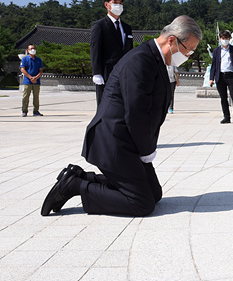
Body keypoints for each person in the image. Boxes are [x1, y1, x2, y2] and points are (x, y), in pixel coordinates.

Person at [41, 15, 202, 217]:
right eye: (189, 50)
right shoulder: (140, 60)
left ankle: (81, 177)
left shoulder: (157, 59)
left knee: (154, 193)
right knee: (141, 203)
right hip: (112, 140)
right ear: (172, 40)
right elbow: (136, 113)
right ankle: (75, 185)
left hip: (128, 140)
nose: (188, 55)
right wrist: (145, 150)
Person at [90, 0, 134, 106]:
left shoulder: (126, 28)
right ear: (106, 5)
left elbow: (130, 51)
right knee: (105, 104)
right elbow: (95, 49)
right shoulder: (99, 25)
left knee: (122, 103)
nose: (118, 6)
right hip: (106, 72)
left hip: (124, 72)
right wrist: (96, 72)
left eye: (120, 3)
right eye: (115, 2)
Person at [208, 30, 233, 124]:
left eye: (227, 39)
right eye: (223, 39)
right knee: (223, 98)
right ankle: (226, 117)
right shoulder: (216, 51)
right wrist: (211, 78)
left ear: (229, 39)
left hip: (231, 76)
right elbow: (213, 65)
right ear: (220, 39)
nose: (225, 40)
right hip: (220, 76)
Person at [20, 44, 44, 117]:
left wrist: (36, 78)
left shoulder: (38, 60)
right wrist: (30, 77)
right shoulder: (25, 59)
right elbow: (22, 69)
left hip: (36, 81)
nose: (33, 50)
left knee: (36, 97)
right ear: (28, 50)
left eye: (34, 48)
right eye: (31, 49)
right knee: (26, 96)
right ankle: (24, 111)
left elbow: (41, 70)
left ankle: (36, 111)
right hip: (27, 81)